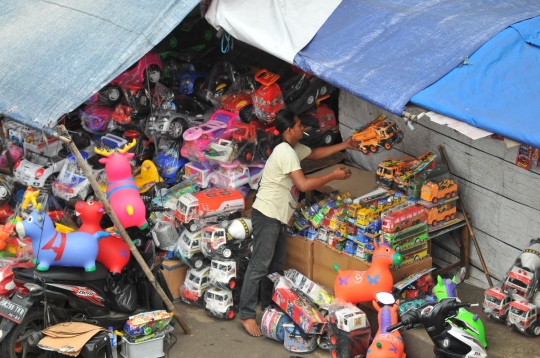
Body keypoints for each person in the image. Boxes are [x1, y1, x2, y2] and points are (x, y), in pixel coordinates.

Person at [239, 109, 362, 336]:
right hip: (267, 214)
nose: (302, 129)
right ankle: (246, 315)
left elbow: (315, 154)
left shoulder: (293, 148)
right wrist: (333, 176)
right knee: (260, 265)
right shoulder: (284, 151)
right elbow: (303, 185)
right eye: (298, 126)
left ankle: (268, 306)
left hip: (278, 216)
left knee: (275, 267)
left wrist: (344, 145)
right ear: (288, 130)